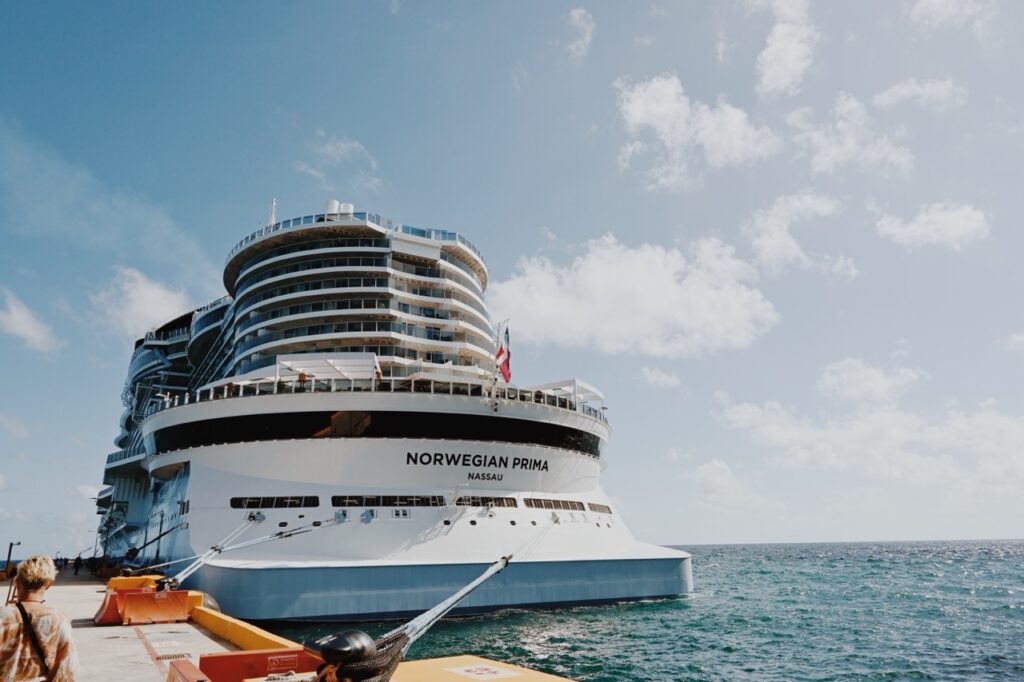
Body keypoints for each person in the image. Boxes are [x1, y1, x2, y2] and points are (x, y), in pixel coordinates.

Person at [0, 555, 80, 681]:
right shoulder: (58, 619)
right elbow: (67, 670)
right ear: (49, 584)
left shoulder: (2, 616)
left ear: (17, 583)